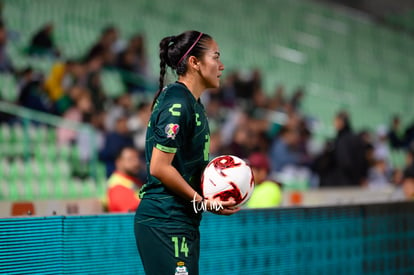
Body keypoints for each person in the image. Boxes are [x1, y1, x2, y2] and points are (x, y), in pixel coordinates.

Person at [134, 30, 238, 275]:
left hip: (181, 219)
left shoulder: (192, 102)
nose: (221, 66)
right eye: (215, 57)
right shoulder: (178, 103)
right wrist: (202, 202)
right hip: (165, 219)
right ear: (194, 63)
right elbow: (159, 167)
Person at [106, 146, 142, 212]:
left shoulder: (132, 179)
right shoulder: (117, 185)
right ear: (118, 162)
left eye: (137, 158)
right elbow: (131, 209)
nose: (136, 163)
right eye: (130, 159)